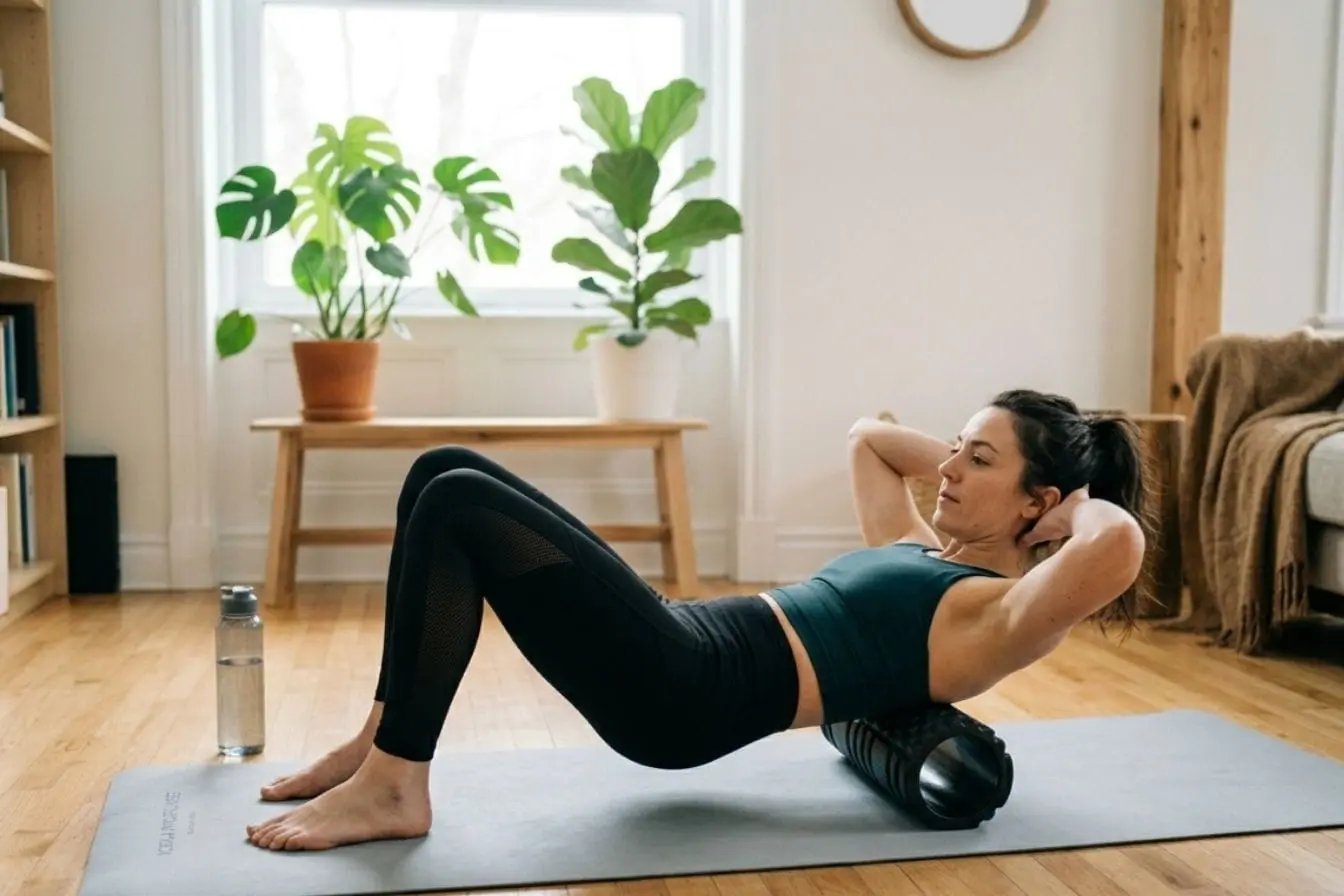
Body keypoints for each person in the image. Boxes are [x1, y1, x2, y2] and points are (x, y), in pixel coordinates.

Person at [244, 388, 1150, 851]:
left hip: (687, 694)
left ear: (1041, 501)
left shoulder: (997, 616)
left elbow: (1119, 549)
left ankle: (399, 787)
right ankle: (380, 741)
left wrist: (1072, 515)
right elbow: (868, 440)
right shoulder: (922, 549)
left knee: (459, 505)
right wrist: (979, 458)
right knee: (441, 469)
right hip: (684, 638)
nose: (947, 467)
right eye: (954, 449)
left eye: (977, 458)